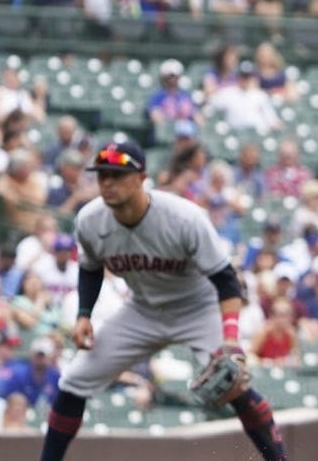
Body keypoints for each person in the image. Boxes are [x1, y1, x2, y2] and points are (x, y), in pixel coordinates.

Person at [37, 141, 287, 460]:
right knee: (74, 381)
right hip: (143, 309)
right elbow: (89, 268)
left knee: (233, 385)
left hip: (198, 306)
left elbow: (226, 281)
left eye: (117, 175)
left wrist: (230, 340)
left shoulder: (183, 217)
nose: (108, 183)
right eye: (102, 176)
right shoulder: (90, 219)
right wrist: (84, 313)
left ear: (142, 178)